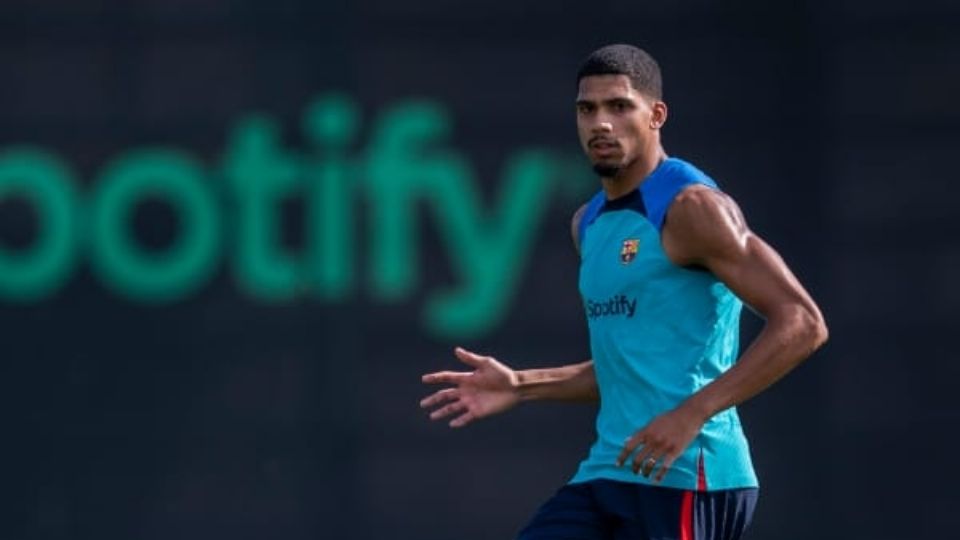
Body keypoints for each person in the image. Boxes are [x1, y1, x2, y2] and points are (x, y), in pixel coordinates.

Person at [420, 44, 828, 540]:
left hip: (687, 476)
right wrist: (522, 386)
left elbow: (803, 323)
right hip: (608, 472)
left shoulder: (692, 208)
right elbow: (630, 366)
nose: (600, 124)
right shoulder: (588, 223)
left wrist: (691, 414)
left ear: (656, 115)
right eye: (586, 109)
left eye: (619, 106)